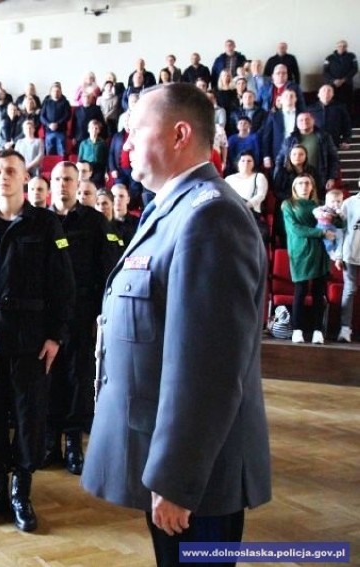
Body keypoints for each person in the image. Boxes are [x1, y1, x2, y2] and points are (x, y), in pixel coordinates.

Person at [82, 83, 271, 567]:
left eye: (135, 130)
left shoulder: (209, 217)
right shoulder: (173, 209)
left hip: (197, 478)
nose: (123, 143)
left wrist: (176, 479)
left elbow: (206, 369)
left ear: (180, 133)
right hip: (170, 459)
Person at [0, 149, 75, 532]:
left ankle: (20, 493)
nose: (3, 176)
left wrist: (56, 336)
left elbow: (63, 284)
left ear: (25, 178)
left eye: (11, 171)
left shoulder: (45, 224)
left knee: (29, 416)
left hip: (30, 339)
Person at [43, 161, 113, 475]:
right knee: (47, 378)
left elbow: (107, 269)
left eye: (68, 179)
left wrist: (101, 313)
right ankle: (49, 442)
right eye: (57, 179)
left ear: (78, 183)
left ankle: (72, 442)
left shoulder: (95, 222)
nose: (62, 184)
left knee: (77, 378)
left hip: (82, 312)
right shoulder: (38, 221)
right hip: (44, 316)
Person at [282, 174, 333, 345]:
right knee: (301, 290)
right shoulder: (288, 204)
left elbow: (333, 222)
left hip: (320, 250)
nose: (304, 186)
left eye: (307, 183)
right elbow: (295, 228)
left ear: (312, 187)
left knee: (319, 292)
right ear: (294, 187)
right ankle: (297, 330)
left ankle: (318, 330)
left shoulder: (319, 205)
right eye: (300, 183)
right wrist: (321, 233)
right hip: (300, 250)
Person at [225, 151, 269, 244]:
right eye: (243, 161)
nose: (246, 163)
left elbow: (261, 195)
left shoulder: (259, 177)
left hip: (251, 213)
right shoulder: (229, 179)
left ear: (254, 163)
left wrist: (246, 205)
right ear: (237, 163)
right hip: (232, 212)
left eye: (249, 161)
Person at [334, 190, 360, 342]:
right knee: (349, 289)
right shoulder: (349, 203)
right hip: (351, 253)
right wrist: (338, 255)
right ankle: (345, 329)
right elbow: (340, 230)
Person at [323, 40, 358, 111]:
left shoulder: (352, 56)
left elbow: (355, 69)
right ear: (336, 47)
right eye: (340, 46)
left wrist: (343, 80)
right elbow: (325, 72)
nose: (342, 48)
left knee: (348, 104)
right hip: (333, 84)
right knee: (333, 103)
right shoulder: (329, 58)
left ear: (346, 47)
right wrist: (334, 80)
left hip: (347, 84)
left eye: (344, 46)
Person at [313, 189, 345, 260]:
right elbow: (315, 211)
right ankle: (330, 252)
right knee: (327, 240)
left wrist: (341, 213)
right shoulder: (325, 208)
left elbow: (343, 218)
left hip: (332, 227)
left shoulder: (339, 209)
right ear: (327, 202)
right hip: (323, 227)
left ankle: (338, 252)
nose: (336, 204)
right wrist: (323, 214)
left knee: (340, 236)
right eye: (333, 201)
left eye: (338, 201)